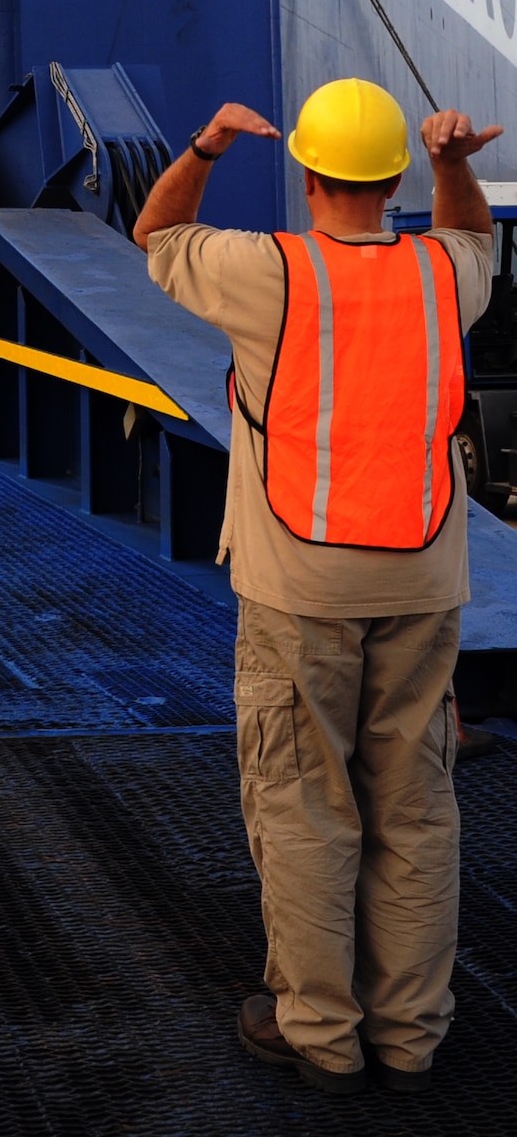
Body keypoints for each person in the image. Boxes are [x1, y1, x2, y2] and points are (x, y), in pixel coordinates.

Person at [132, 79, 498, 1097]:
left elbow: (155, 231)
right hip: (425, 575)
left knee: (302, 804)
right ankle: (414, 1033)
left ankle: (324, 1034)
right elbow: (476, 239)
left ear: (305, 173)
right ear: (393, 178)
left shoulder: (265, 269)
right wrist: (453, 162)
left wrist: (205, 145)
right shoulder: (441, 273)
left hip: (300, 581)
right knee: (416, 806)